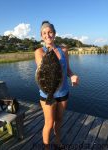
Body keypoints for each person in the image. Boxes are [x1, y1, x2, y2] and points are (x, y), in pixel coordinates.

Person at [35, 21, 79, 150]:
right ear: (41, 36)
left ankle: (57, 141)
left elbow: (67, 70)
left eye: (50, 32)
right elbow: (42, 69)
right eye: (44, 33)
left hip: (63, 92)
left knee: (59, 120)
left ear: (54, 33)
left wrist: (72, 76)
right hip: (47, 93)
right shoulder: (39, 52)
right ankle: (46, 147)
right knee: (49, 123)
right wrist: (50, 53)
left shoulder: (64, 50)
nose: (47, 35)